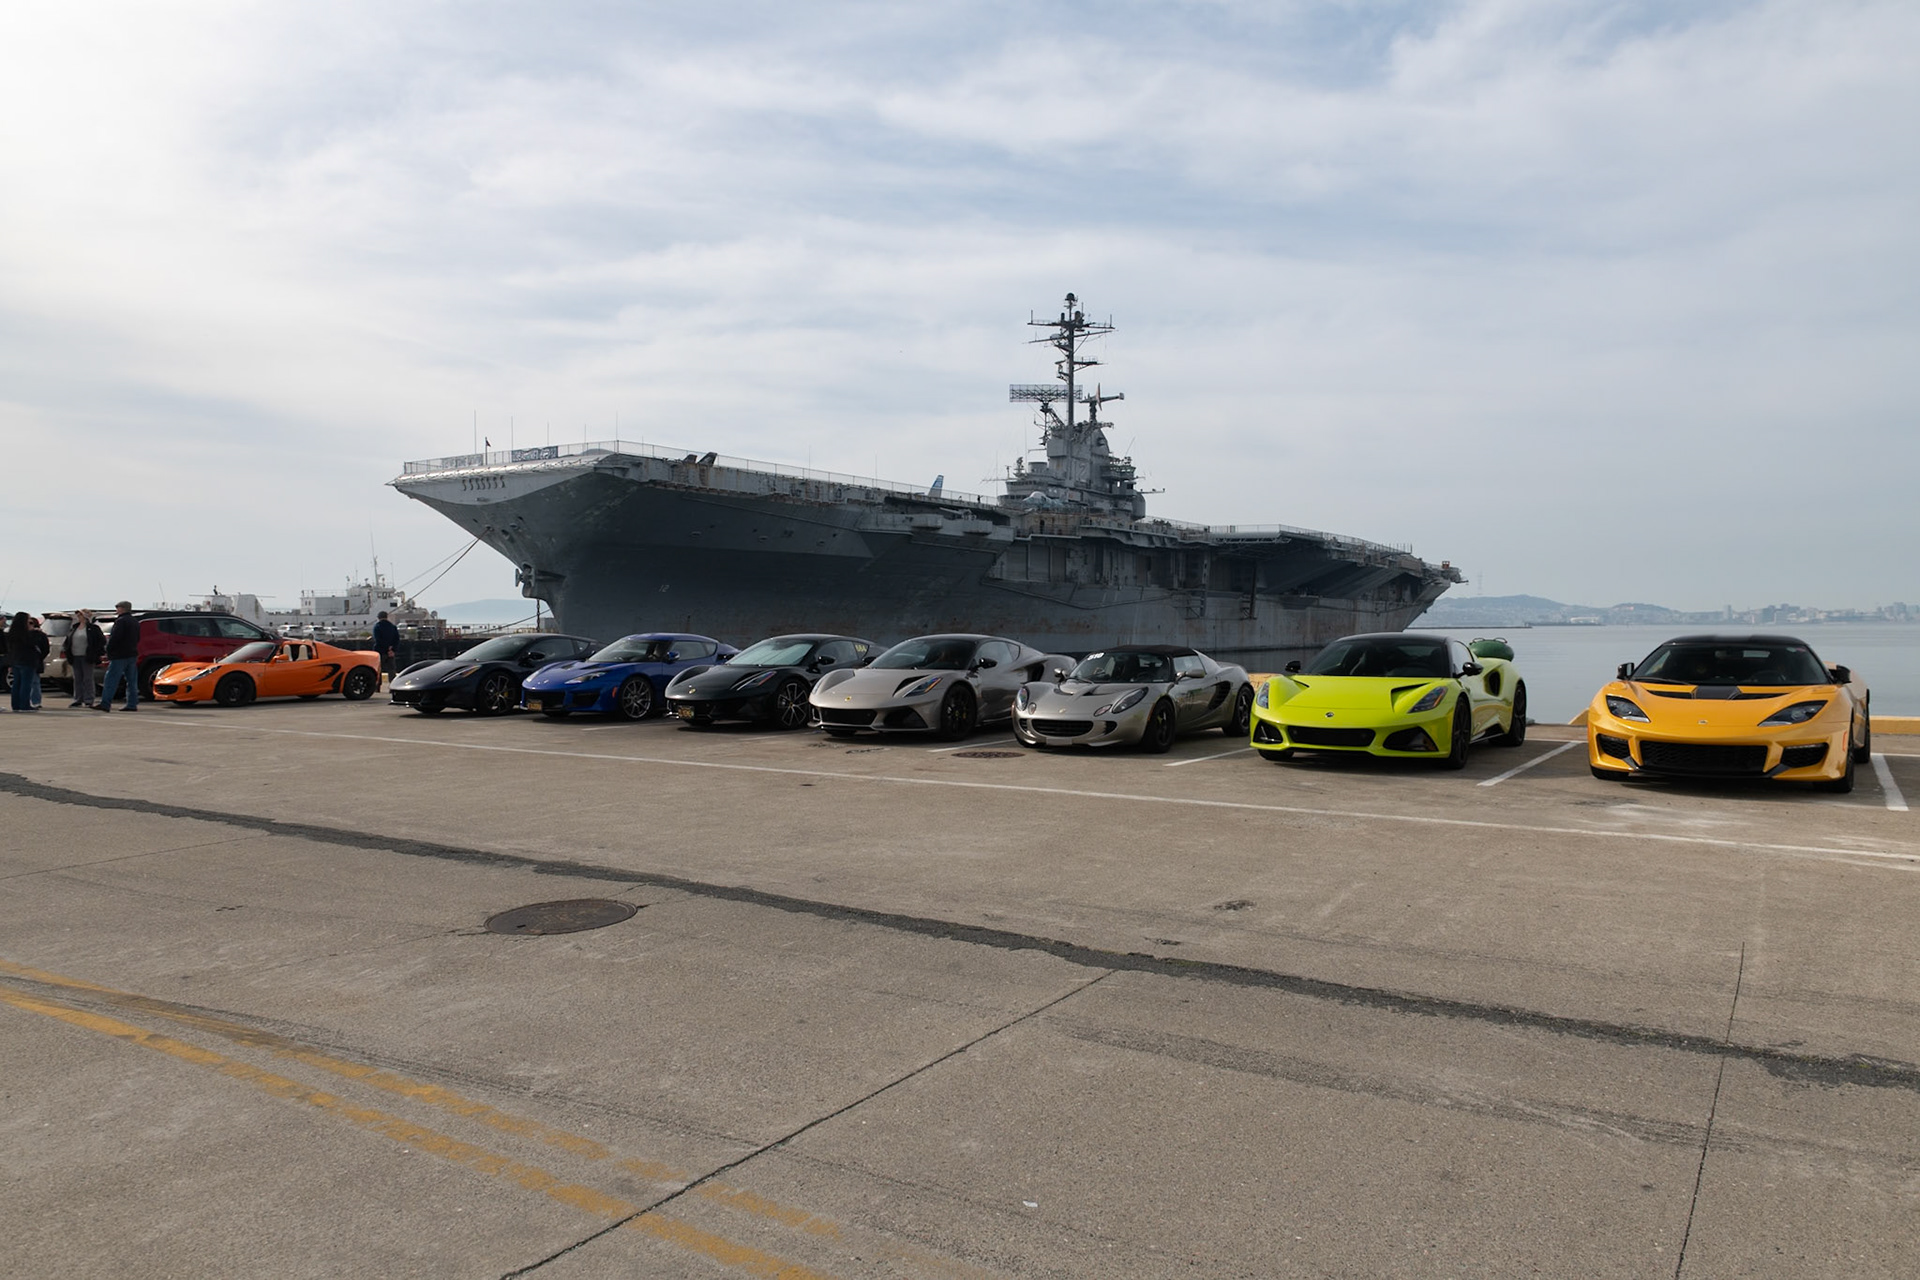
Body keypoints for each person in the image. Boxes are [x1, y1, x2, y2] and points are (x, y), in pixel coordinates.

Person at [96, 601, 140, 712]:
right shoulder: (135, 621)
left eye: (117, 607)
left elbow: (115, 638)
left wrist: (109, 651)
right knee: (131, 681)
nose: (116, 609)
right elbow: (137, 637)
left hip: (119, 655)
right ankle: (132, 703)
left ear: (122, 608)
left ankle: (105, 703)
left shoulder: (121, 621)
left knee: (111, 679)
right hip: (132, 654)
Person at [64, 609, 106, 708]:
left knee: (87, 678)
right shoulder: (74, 628)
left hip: (87, 656)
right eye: (78, 615)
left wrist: (96, 653)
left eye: (81, 615)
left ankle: (89, 699)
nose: (78, 617)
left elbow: (101, 641)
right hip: (75, 656)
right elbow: (68, 641)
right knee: (77, 678)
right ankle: (78, 699)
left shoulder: (93, 628)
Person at [6, 613, 38, 711]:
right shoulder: (27, 634)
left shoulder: (12, 633)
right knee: (26, 684)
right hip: (27, 661)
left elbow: (10, 649)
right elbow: (32, 644)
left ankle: (15, 705)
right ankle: (24, 705)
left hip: (15, 660)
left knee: (16, 684)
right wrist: (33, 631)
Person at [371, 610, 400, 688]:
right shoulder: (393, 627)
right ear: (386, 617)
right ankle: (393, 686)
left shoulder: (377, 627)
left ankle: (378, 686)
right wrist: (392, 649)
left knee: (378, 669)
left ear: (379, 618)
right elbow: (397, 639)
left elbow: (378, 640)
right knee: (391, 670)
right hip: (390, 652)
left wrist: (386, 648)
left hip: (380, 651)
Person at [26, 615, 50, 708]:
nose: (30, 625)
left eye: (31, 623)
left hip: (35, 661)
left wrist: (39, 657)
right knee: (25, 682)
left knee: (35, 682)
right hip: (24, 661)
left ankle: (36, 701)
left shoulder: (41, 635)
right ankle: (26, 700)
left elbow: (46, 649)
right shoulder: (22, 635)